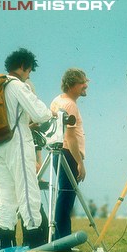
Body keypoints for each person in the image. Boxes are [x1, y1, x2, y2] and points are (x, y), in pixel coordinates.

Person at [0, 48, 53, 249]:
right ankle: (34, 241)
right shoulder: (17, 86)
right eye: (29, 70)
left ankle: (5, 243)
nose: (29, 75)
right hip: (17, 143)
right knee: (28, 191)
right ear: (24, 66)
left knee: (6, 195)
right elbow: (42, 114)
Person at [50, 68, 88, 240]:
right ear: (72, 85)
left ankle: (60, 237)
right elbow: (70, 137)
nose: (85, 86)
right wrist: (80, 162)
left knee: (64, 196)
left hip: (59, 152)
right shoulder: (70, 105)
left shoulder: (58, 100)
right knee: (66, 197)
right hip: (68, 154)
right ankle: (62, 239)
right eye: (82, 82)